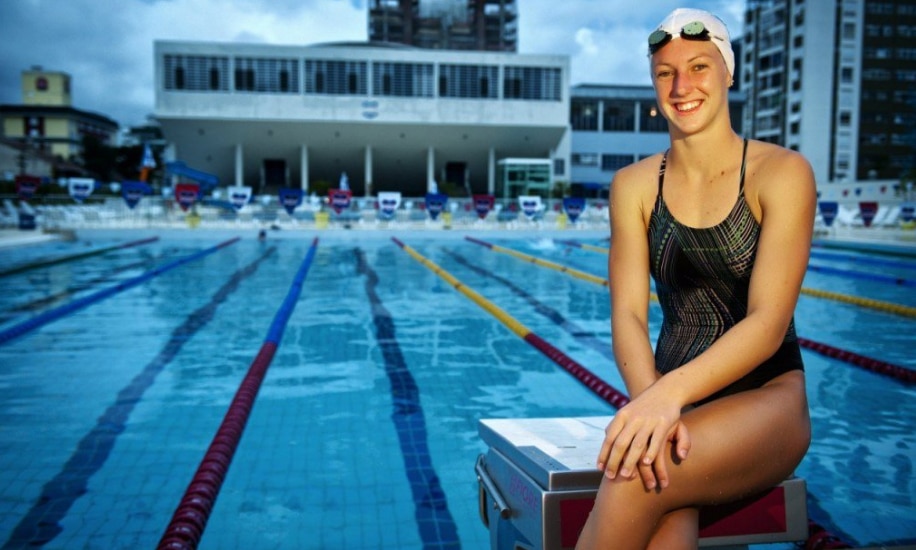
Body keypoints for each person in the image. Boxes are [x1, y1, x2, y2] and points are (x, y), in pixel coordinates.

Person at [576, 8, 814, 549]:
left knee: (634, 476)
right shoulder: (633, 185)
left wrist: (665, 402)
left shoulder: (781, 173)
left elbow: (768, 323)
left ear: (729, 73)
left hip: (768, 399)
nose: (682, 86)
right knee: (664, 508)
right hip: (673, 402)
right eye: (666, 73)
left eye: (700, 67)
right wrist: (652, 407)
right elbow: (629, 315)